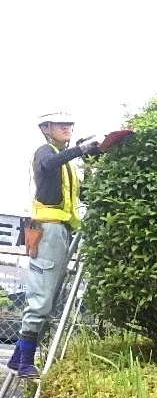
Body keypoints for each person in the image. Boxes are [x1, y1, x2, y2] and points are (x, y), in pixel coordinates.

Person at [6, 112, 100, 377]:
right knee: (42, 298)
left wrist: (94, 160)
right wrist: (80, 149)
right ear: (46, 129)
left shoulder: (67, 165)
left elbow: (85, 194)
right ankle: (25, 363)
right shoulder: (45, 153)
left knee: (50, 294)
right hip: (48, 231)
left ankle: (16, 359)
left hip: (62, 232)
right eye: (61, 125)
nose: (67, 128)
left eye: (69, 124)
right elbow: (49, 164)